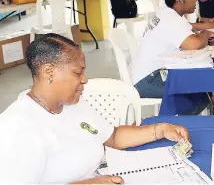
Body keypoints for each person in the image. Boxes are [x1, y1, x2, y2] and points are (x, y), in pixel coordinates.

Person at [0, 34, 190, 184]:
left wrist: (160, 130)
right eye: (78, 72)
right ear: (49, 72)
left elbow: (112, 136)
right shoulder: (17, 127)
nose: (85, 79)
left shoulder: (71, 105)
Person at [132, 0, 214, 105]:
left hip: (147, 74)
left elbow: (188, 37)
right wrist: (206, 33)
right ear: (179, 1)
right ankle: (178, 122)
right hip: (148, 81)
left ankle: (205, 105)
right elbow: (193, 44)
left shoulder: (166, 12)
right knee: (197, 92)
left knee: (199, 88)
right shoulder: (171, 19)